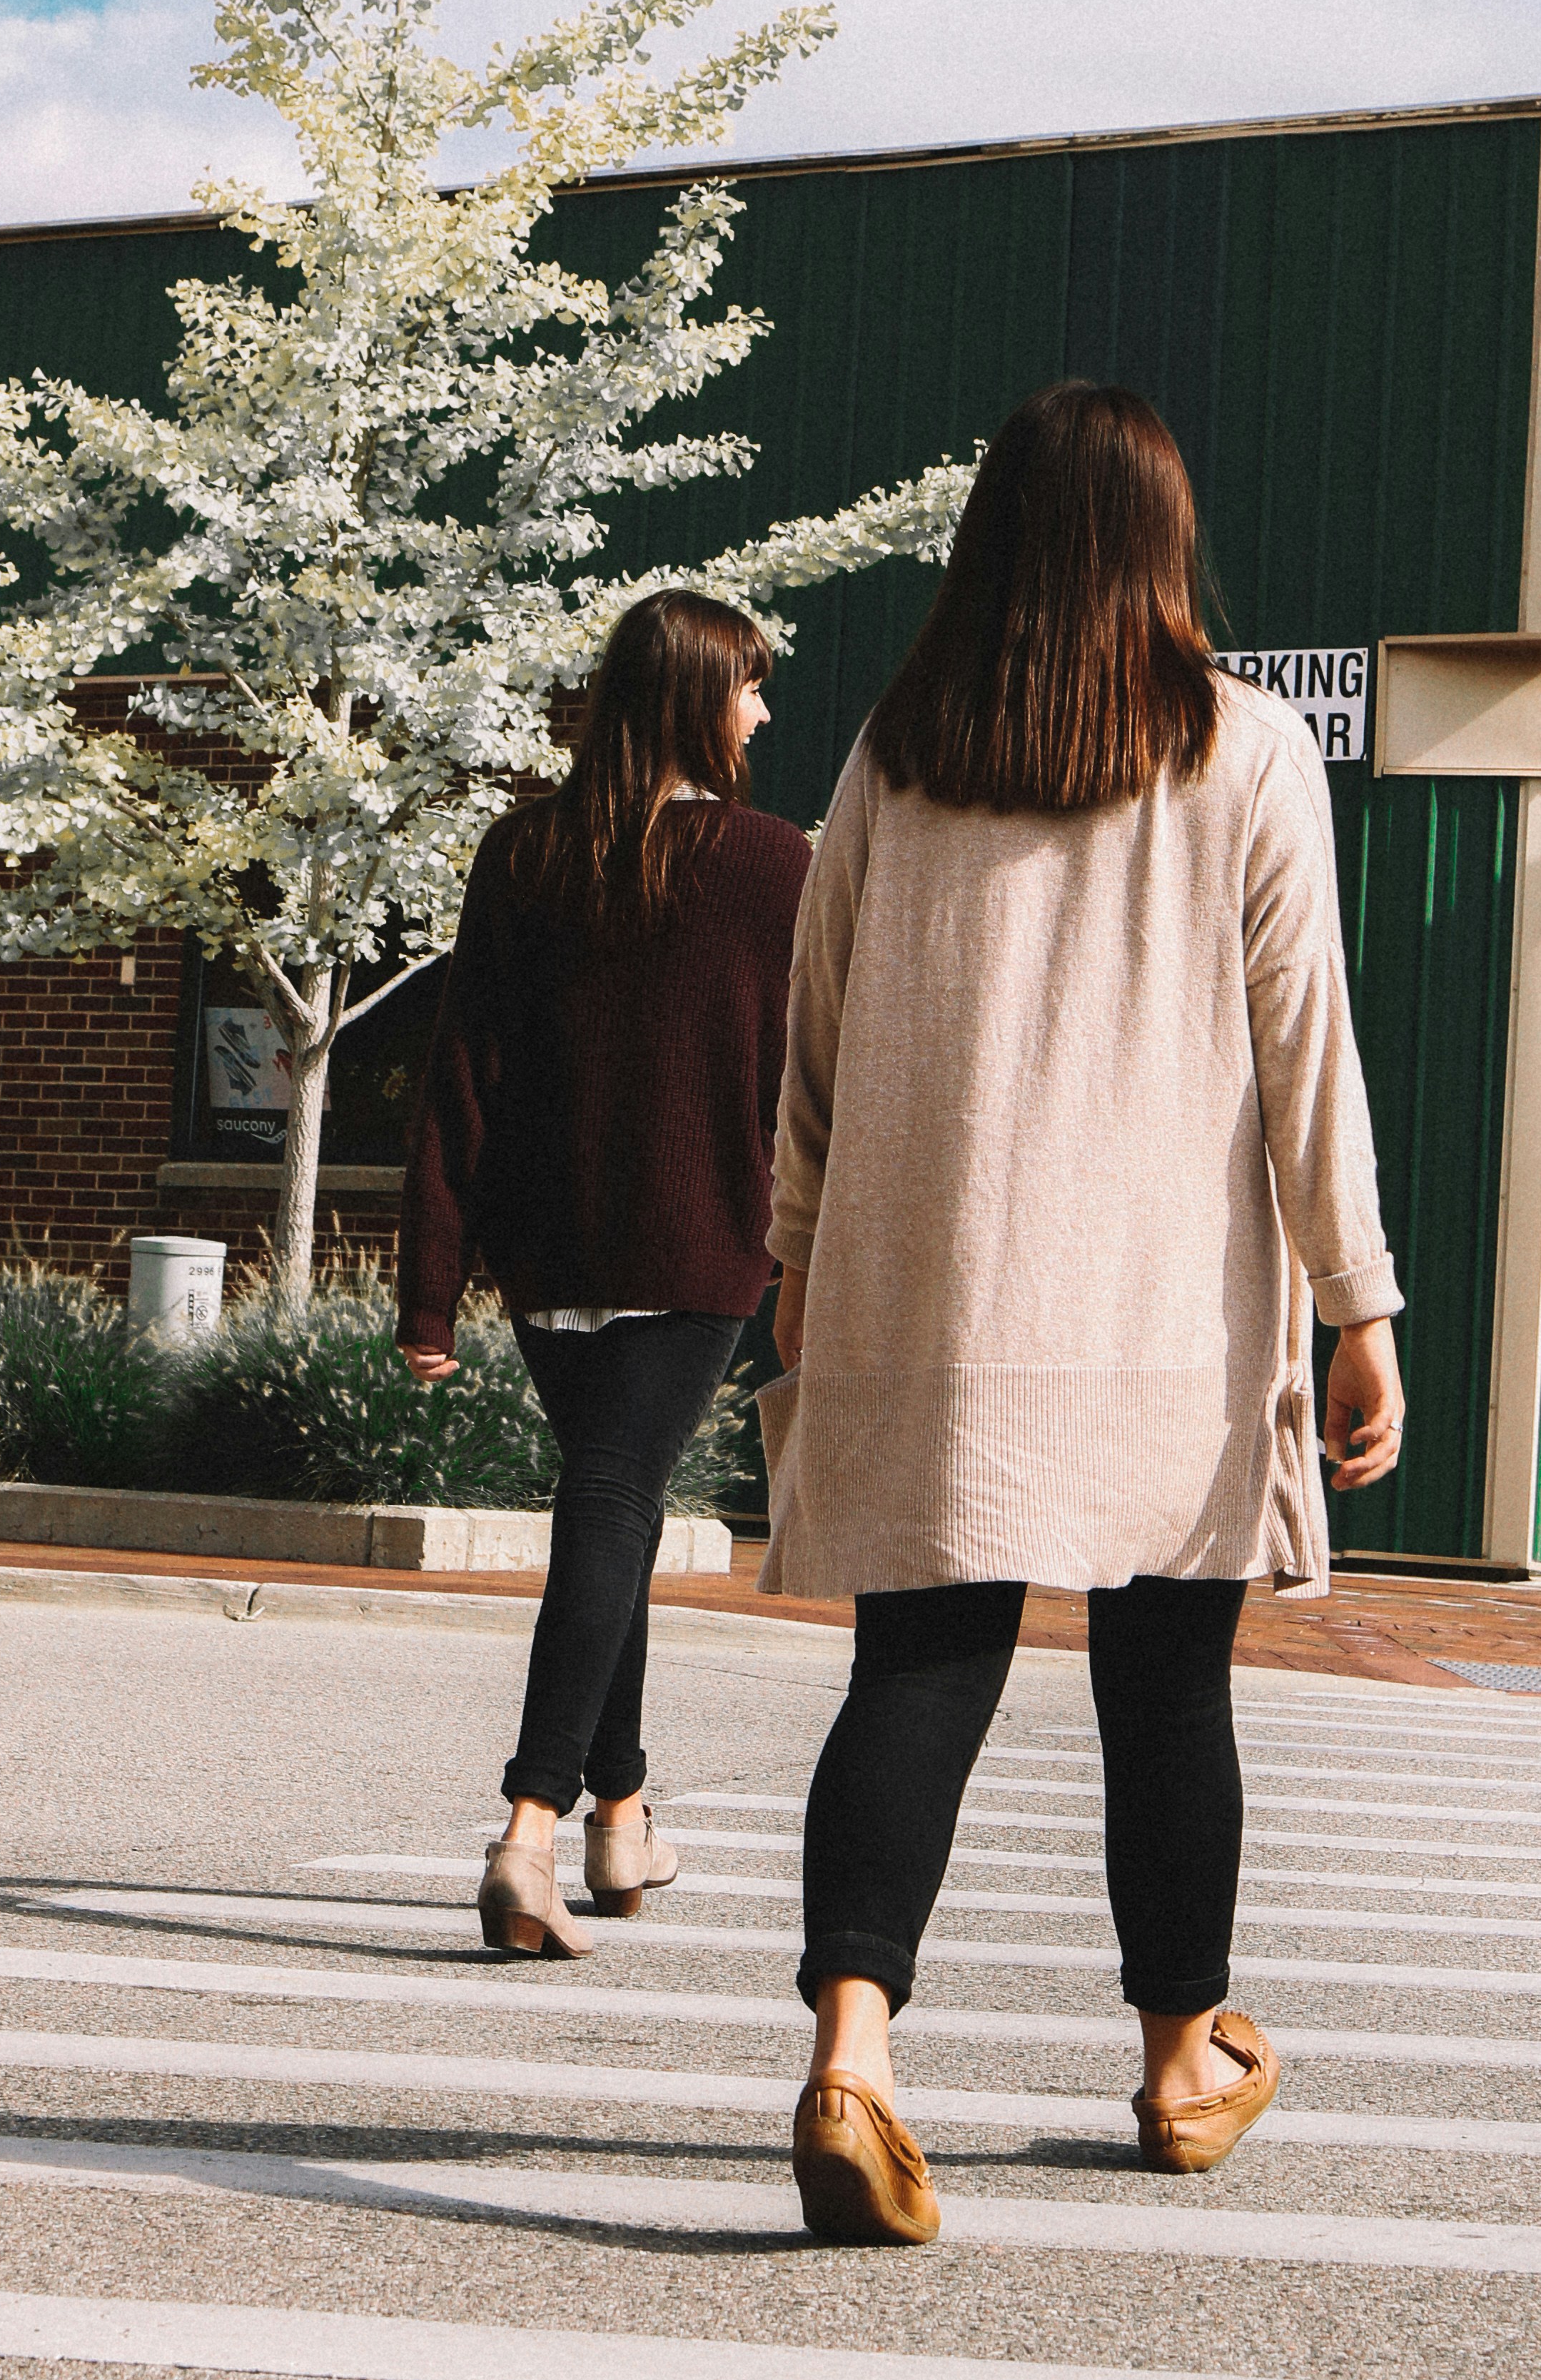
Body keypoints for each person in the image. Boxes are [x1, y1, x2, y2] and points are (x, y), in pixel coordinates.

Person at [758, 382, 1404, 2247]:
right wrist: (1356, 1295)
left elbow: (813, 1028)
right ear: (1156, 541)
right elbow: (1307, 1049)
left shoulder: (897, 749)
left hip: (930, 1293)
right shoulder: (1244, 748)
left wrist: (800, 1245)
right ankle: (1179, 2054)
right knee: (1164, 1692)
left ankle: (853, 2049)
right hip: (1160, 1314)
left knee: (916, 1669)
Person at [398, 589, 809, 1960]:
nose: (765, 710)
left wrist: (435, 1280)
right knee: (615, 1500)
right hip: (701, 1245)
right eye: (750, 685)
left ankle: (621, 1813)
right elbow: (820, 1089)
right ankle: (528, 1824)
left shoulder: (522, 850)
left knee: (608, 1509)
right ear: (699, 700)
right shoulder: (771, 863)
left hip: (547, 1248)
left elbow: (459, 1075)